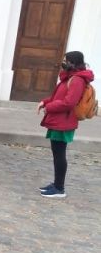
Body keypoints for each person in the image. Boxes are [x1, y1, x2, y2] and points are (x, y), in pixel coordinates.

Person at [37, 51, 95, 198]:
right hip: (59, 120)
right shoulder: (69, 77)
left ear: (73, 63)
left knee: (59, 154)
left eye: (65, 60)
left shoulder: (77, 80)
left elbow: (69, 103)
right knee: (57, 153)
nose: (63, 62)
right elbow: (58, 97)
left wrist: (48, 108)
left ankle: (59, 188)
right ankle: (56, 184)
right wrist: (45, 102)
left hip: (64, 122)